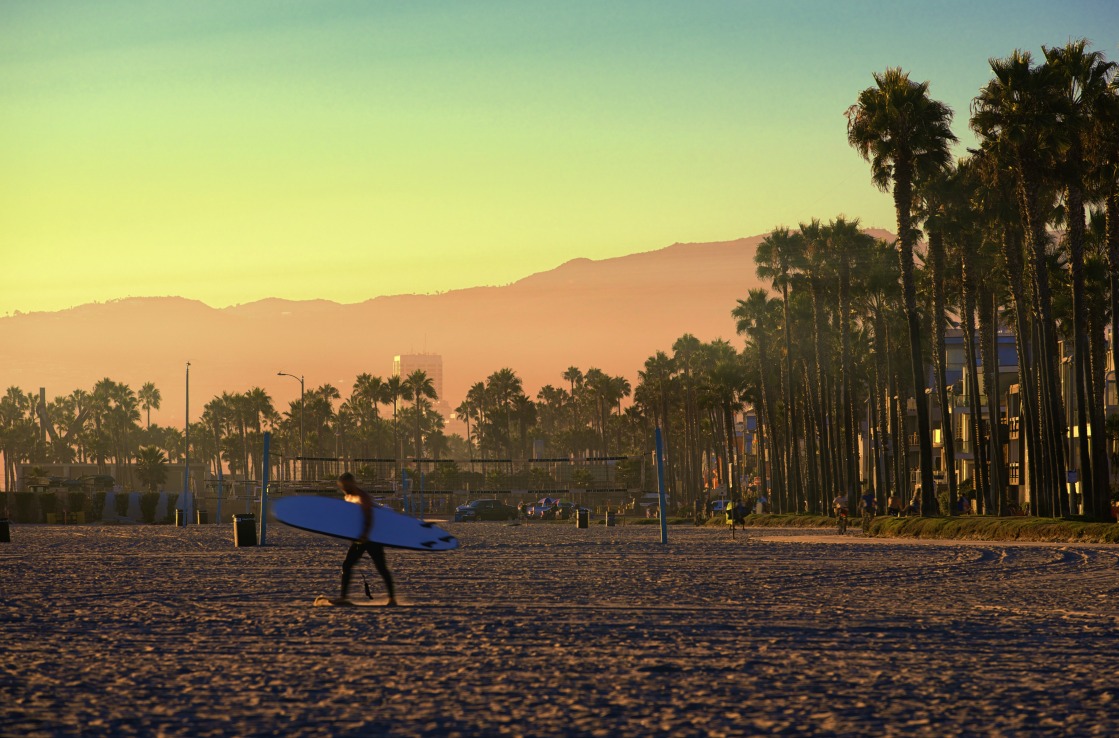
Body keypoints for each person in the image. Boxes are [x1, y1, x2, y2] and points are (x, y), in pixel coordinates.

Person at [337, 472, 396, 606]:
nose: (343, 488)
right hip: (360, 538)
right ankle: (343, 598)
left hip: (372, 537)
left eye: (345, 485)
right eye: (342, 486)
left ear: (352, 483)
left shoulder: (362, 496)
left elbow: (369, 517)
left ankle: (392, 598)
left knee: (381, 567)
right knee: (347, 565)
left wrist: (365, 534)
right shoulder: (348, 497)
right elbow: (353, 519)